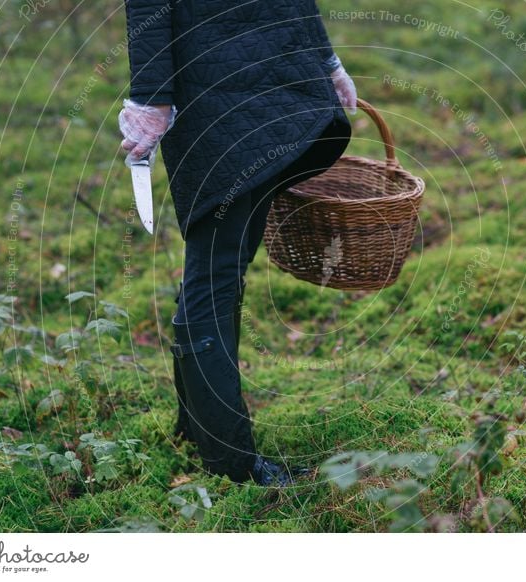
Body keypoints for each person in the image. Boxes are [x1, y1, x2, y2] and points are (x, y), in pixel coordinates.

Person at [119, 1, 356, 486]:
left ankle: (197, 429)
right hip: (210, 90)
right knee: (215, 274)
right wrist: (149, 95)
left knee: (224, 267)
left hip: (276, 78)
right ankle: (231, 464)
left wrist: (326, 61)